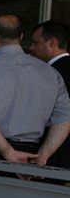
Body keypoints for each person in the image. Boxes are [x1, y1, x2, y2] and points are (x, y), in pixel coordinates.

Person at [0, 15, 70, 166]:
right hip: (31, 154)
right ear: (20, 37)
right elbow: (64, 118)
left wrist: (9, 152)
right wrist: (43, 155)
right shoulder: (51, 73)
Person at [30, 20, 70, 169]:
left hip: (53, 154)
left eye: (35, 42)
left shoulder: (49, 74)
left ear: (52, 43)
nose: (31, 48)